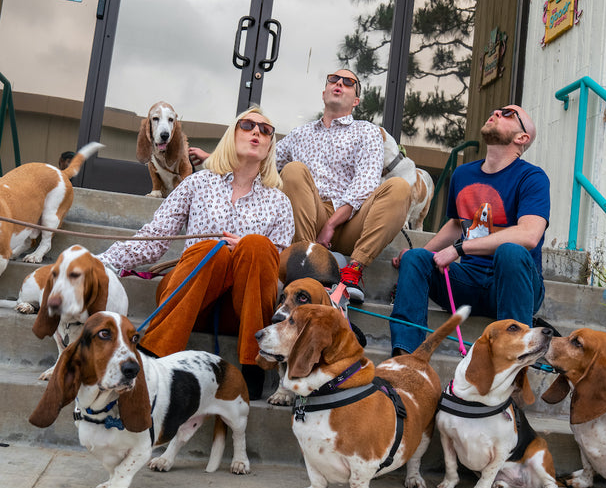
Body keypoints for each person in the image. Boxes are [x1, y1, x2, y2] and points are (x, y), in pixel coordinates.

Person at [98, 107, 294, 399]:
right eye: (247, 125)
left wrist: (246, 249)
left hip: (240, 311)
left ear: (269, 147)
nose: (256, 132)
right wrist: (100, 261)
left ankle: (253, 363)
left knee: (256, 245)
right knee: (212, 250)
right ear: (231, 135)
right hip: (189, 297)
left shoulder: (279, 202)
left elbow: (276, 273)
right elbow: (155, 237)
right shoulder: (197, 182)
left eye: (265, 130)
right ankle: (153, 355)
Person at [390, 105, 550, 356]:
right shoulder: (463, 174)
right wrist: (421, 254)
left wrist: (460, 249)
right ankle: (406, 358)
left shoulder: (532, 177)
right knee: (415, 258)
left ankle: (514, 360)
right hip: (468, 282)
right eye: (496, 110)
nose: (496, 112)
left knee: (510, 251)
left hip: (512, 285)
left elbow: (529, 235)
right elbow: (458, 224)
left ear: (522, 138)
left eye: (508, 114)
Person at [275, 69, 411, 303]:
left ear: (356, 101)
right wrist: (216, 160)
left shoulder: (367, 131)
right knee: (293, 170)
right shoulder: (299, 134)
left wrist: (331, 224)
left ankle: (353, 271)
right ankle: (307, 265)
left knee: (399, 187)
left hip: (352, 223)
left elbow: (365, 183)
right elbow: (265, 163)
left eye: (348, 82)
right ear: (324, 93)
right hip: (310, 217)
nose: (339, 83)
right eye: (333, 79)